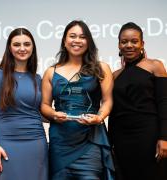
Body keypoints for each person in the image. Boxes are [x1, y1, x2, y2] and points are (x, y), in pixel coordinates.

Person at [41, 20, 115, 180]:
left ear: (88, 41)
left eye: (82, 37)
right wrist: (53, 115)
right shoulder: (50, 72)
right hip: (60, 141)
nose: (77, 40)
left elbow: (108, 101)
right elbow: (44, 105)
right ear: (64, 41)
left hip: (90, 140)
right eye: (72, 36)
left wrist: (100, 117)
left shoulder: (101, 68)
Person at [0, 28, 48, 180]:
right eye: (17, 44)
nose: (22, 48)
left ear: (33, 48)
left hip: (37, 144)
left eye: (27, 44)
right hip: (7, 144)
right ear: (9, 47)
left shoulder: (38, 79)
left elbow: (39, 112)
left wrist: (66, 117)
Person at [108, 22, 167, 180]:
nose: (129, 45)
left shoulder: (156, 66)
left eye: (134, 41)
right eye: (124, 41)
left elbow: (164, 103)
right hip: (122, 139)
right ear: (119, 45)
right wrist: (110, 142)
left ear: (142, 44)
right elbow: (113, 112)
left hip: (149, 135)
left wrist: (164, 138)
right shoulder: (114, 76)